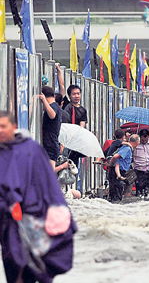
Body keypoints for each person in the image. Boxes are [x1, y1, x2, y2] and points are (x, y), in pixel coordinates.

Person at [0, 111, 77, 282]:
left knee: (39, 264)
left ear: (13, 127)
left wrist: (59, 208)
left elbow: (47, 182)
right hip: (8, 220)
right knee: (13, 262)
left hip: (34, 215)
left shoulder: (30, 149)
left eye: (3, 126)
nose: (0, 131)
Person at [108, 134, 139, 203]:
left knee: (116, 192)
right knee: (116, 194)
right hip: (117, 172)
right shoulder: (127, 148)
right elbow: (116, 156)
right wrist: (111, 164)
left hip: (119, 171)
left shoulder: (128, 147)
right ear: (137, 142)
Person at [38, 86, 62, 169]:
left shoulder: (54, 106)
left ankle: (63, 166)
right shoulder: (56, 107)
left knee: (49, 174)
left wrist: (44, 100)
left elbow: (52, 115)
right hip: (50, 144)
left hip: (50, 145)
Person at [64, 85, 88, 166]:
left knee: (73, 165)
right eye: (74, 94)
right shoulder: (66, 106)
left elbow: (82, 124)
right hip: (65, 139)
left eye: (78, 93)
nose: (77, 96)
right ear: (69, 96)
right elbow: (62, 86)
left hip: (75, 140)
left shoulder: (83, 110)